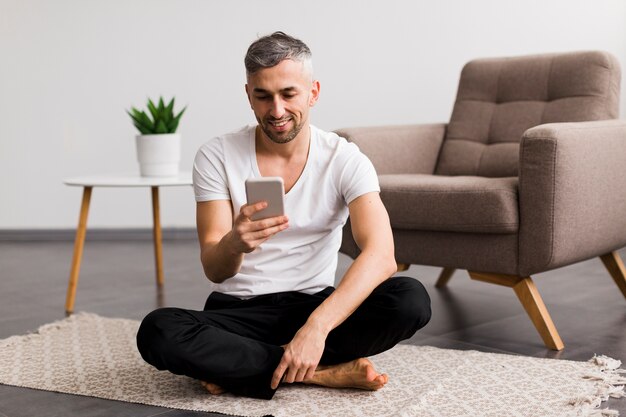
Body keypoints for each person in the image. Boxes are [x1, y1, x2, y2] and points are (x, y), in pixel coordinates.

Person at [136, 31, 431, 400]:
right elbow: (215, 269)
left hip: (314, 305)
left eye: (289, 94)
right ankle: (319, 373)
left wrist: (316, 328)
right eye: (263, 96)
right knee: (158, 330)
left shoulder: (345, 159)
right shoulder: (216, 156)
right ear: (248, 96)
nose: (276, 111)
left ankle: (249, 368)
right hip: (238, 314)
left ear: (314, 92)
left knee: (410, 299)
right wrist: (234, 242)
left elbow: (382, 256)